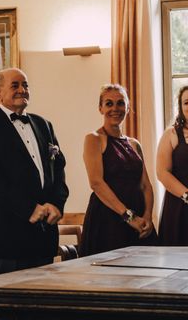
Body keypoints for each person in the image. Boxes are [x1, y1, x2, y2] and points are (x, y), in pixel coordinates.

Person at [0, 68, 69, 276]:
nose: (22, 90)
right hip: (8, 235)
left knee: (44, 302)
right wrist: (28, 208)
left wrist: (57, 204)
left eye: (26, 85)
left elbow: (58, 169)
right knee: (8, 305)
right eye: (15, 85)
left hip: (44, 234)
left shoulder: (44, 125)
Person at [79, 84, 157, 256]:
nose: (115, 108)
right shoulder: (94, 139)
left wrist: (148, 217)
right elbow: (96, 183)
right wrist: (129, 217)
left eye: (120, 103)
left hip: (139, 221)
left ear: (128, 108)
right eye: (109, 103)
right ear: (100, 108)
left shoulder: (134, 144)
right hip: (107, 219)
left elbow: (145, 185)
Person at [158, 86, 188, 245]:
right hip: (179, 206)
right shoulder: (171, 134)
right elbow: (162, 172)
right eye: (187, 102)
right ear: (181, 107)